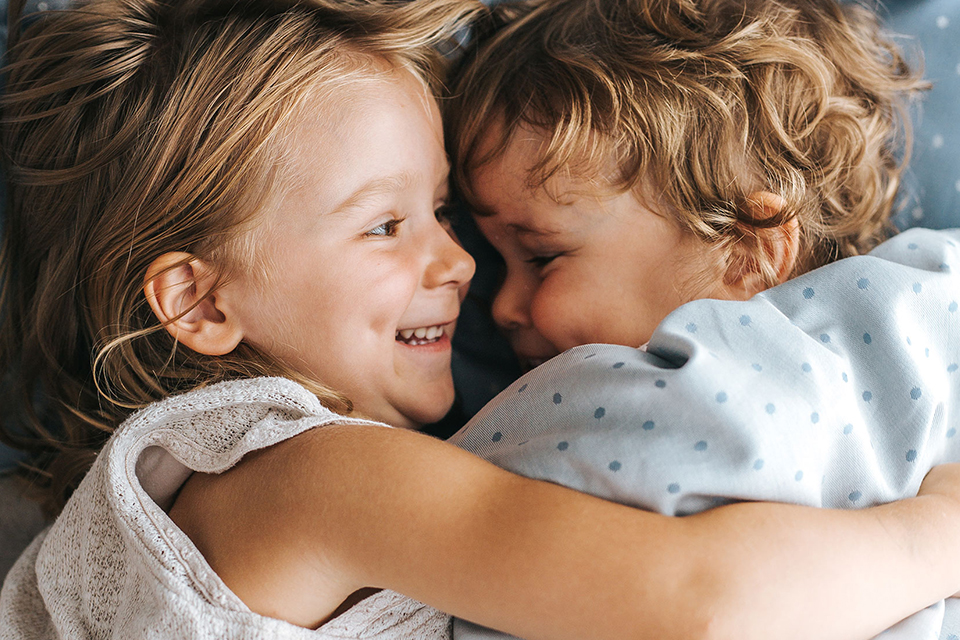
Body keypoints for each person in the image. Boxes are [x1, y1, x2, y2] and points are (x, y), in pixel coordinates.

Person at [0, 0, 959, 639]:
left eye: (441, 215)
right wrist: (937, 535)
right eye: (386, 225)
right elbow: (700, 605)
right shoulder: (307, 476)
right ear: (203, 301)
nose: (457, 265)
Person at [442, 0, 960, 637]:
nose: (499, 306)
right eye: (499, 263)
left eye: (543, 257)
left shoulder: (906, 310)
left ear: (746, 251)